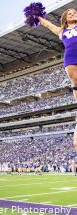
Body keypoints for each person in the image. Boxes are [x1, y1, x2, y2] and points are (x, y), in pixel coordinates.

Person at [38, 9, 77, 150]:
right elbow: (48, 25)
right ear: (65, 18)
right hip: (70, 57)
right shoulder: (61, 31)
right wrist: (37, 17)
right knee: (75, 82)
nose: (73, 14)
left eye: (75, 12)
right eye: (70, 14)